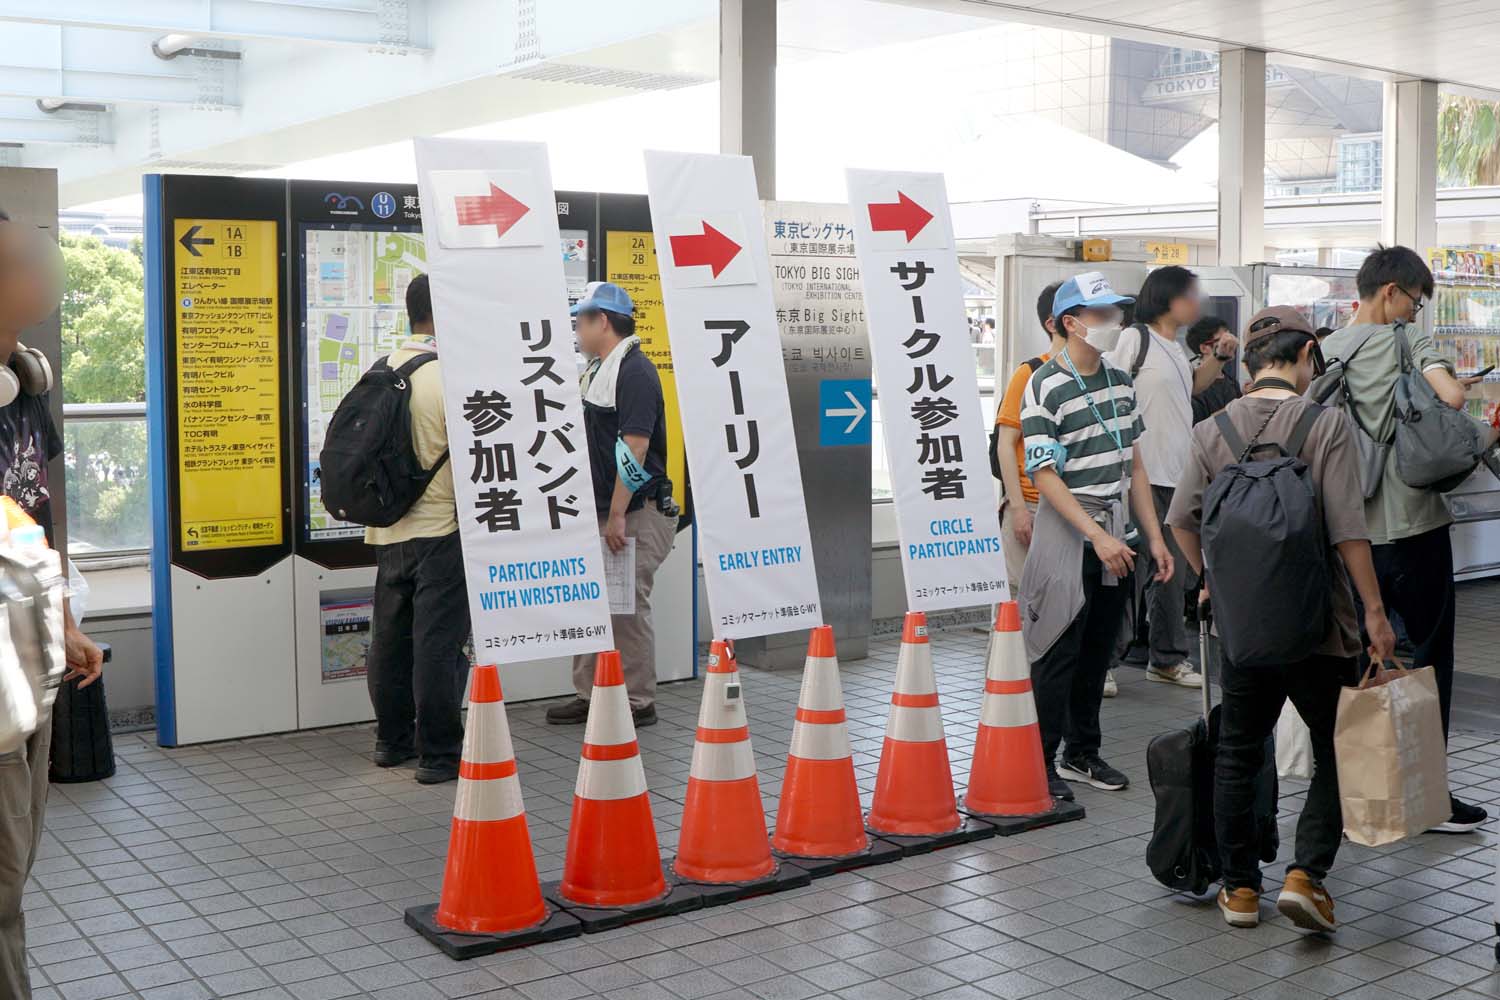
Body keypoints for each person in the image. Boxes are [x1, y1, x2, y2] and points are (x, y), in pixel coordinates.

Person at [1167, 306, 1397, 932]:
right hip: (1322, 624)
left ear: (1247, 364)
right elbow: (1349, 530)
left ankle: (1240, 889)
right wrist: (1375, 612)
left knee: (1239, 750)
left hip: (1244, 627)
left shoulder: (1213, 429)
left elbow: (1181, 519)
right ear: (1305, 359)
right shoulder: (1326, 424)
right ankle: (1306, 876)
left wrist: (1212, 581)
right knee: (1336, 747)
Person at [1321, 246, 1487, 833]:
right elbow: (1451, 399)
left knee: (1354, 659)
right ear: (1391, 291)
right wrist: (1442, 377)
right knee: (1429, 658)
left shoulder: (1326, 348)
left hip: (1351, 538)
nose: (1415, 313)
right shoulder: (1406, 342)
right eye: (1415, 302)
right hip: (1414, 526)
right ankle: (1427, 796)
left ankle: (1346, 794)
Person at [0, 208, 104, 999]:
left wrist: (66, 622)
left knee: (14, 871)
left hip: (27, 671)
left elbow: (35, 518)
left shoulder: (25, 386)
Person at [1020, 272, 1174, 799]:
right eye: (1102, 314)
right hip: (1067, 531)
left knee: (1098, 650)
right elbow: (1044, 476)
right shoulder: (1044, 384)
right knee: (1057, 651)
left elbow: (1135, 466)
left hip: (1115, 531)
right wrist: (1097, 538)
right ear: (1072, 322)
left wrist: (1153, 536)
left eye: (1114, 312)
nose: (1113, 322)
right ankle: (1038, 763)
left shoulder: (1118, 380)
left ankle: (1081, 754)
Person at [549, 282, 677, 728]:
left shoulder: (634, 372)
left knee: (624, 609)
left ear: (601, 321)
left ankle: (639, 701)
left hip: (634, 510)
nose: (576, 331)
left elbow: (635, 448)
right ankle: (590, 694)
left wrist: (618, 513)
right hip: (603, 509)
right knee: (593, 604)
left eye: (579, 322)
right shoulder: (598, 370)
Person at [364, 273, 467, 786]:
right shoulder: (447, 376)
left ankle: (391, 741)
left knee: (390, 638)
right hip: (441, 528)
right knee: (437, 642)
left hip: (388, 531)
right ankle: (441, 753)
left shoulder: (384, 369)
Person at [1105, 266, 1201, 688]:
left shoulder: (1176, 347)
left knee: (1170, 574)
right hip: (1140, 475)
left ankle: (1166, 658)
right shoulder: (1134, 338)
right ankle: (1104, 663)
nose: (1197, 302)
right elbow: (1109, 394)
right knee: (1129, 574)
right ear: (1168, 298)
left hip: (1177, 475)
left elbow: (1185, 398)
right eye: (1190, 294)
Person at [994, 282, 1063, 591]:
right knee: (1021, 605)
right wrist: (1019, 508)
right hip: (1032, 505)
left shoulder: (1104, 375)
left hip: (1075, 507)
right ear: (1053, 323)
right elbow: (1005, 444)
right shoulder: (1030, 373)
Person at [1186, 316, 1242, 424]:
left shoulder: (1231, 382)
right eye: (1223, 340)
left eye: (1230, 336)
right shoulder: (1195, 388)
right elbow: (1199, 428)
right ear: (1204, 348)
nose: (1232, 343)